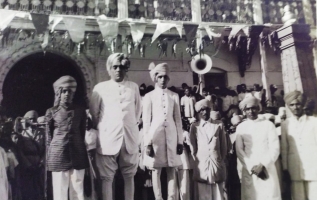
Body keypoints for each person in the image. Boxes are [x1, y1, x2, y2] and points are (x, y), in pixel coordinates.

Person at [89, 53, 142, 200]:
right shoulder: (100, 88)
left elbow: (137, 112)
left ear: (126, 69)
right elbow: (94, 114)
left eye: (122, 67)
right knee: (107, 177)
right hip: (108, 138)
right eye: (115, 67)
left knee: (129, 175)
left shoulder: (133, 87)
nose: (119, 70)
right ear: (109, 69)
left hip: (129, 138)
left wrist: (128, 126)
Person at [143, 62, 183, 200]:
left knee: (172, 168)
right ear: (155, 78)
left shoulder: (174, 96)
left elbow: (178, 120)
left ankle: (172, 197)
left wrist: (180, 141)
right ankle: (158, 198)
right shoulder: (149, 96)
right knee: (156, 170)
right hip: (156, 138)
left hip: (171, 136)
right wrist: (147, 143)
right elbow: (146, 122)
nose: (162, 80)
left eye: (165, 77)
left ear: (168, 79)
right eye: (160, 77)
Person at [45, 75, 89, 200]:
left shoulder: (80, 111)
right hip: (58, 154)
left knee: (77, 189)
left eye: (70, 91)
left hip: (78, 153)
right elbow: (49, 135)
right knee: (60, 190)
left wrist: (78, 145)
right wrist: (51, 154)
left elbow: (82, 132)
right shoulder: (51, 112)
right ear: (59, 93)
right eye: (64, 91)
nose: (67, 94)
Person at [235, 96, 281, 200]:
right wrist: (252, 166)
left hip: (266, 167)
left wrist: (263, 165)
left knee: (269, 195)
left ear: (258, 108)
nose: (251, 111)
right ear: (244, 111)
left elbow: (274, 148)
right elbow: (239, 150)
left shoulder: (268, 125)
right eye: (248, 109)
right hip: (249, 169)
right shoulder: (241, 127)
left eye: (254, 108)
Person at [188, 99, 228, 200]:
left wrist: (218, 160)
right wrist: (199, 160)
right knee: (203, 194)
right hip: (202, 165)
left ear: (210, 110)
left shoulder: (218, 124)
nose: (204, 112)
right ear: (198, 112)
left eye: (206, 109)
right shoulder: (194, 127)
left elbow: (224, 147)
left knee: (218, 194)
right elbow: (193, 147)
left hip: (216, 163)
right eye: (202, 110)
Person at [281, 91, 317, 200]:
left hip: (313, 167)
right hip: (294, 168)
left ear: (302, 105)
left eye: (298, 104)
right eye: (292, 105)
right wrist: (285, 168)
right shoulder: (285, 124)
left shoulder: (314, 122)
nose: (295, 107)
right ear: (288, 107)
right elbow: (284, 148)